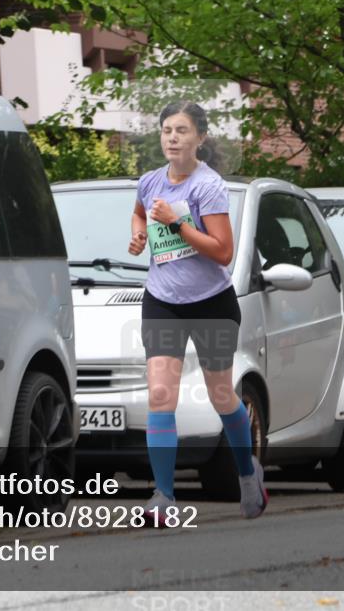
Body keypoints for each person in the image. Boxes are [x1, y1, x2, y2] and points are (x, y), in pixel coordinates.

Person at [128, 101, 267, 524]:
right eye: (167, 130)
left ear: (200, 138)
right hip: (163, 301)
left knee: (222, 396)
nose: (172, 137)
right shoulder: (150, 182)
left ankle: (247, 473)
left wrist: (177, 224)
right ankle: (164, 498)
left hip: (210, 303)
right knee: (160, 394)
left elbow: (223, 252)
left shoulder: (208, 186)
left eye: (182, 130)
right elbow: (138, 213)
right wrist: (138, 236)